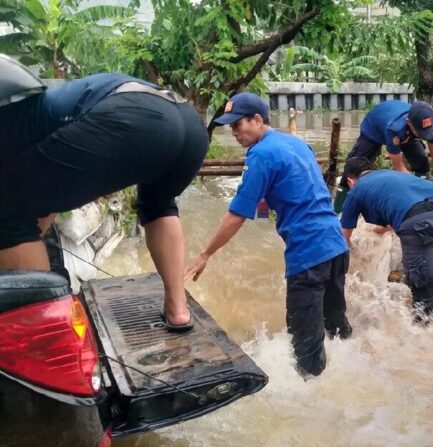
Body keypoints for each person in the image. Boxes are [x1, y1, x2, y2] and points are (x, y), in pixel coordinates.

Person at [0, 55, 208, 331]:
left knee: (7, 212)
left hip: (136, 119)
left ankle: (47, 336)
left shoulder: (10, 128)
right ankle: (178, 311)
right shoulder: (36, 111)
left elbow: (19, 211)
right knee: (158, 205)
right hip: (187, 122)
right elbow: (45, 199)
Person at [184, 92, 351, 377]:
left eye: (239, 125)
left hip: (308, 255)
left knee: (305, 350)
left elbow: (237, 215)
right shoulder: (298, 144)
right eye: (231, 127)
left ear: (258, 120)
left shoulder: (260, 154)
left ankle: (313, 404)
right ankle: (353, 373)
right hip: (336, 247)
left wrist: (205, 254)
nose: (234, 132)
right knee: (336, 326)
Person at [340, 157, 433, 321]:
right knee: (419, 266)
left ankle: (424, 335)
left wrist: (351, 260)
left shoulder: (356, 190)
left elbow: (343, 239)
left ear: (350, 180)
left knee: (420, 284)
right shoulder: (389, 174)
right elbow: (405, 204)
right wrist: (384, 229)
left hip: (421, 222)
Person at [334, 100, 433, 212]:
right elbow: (399, 167)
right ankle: (339, 209)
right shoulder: (394, 129)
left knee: (422, 163)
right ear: (409, 122)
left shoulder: (428, 121)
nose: (424, 135)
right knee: (352, 169)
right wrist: (420, 189)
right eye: (421, 133)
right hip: (374, 129)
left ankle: (420, 202)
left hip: (407, 135)